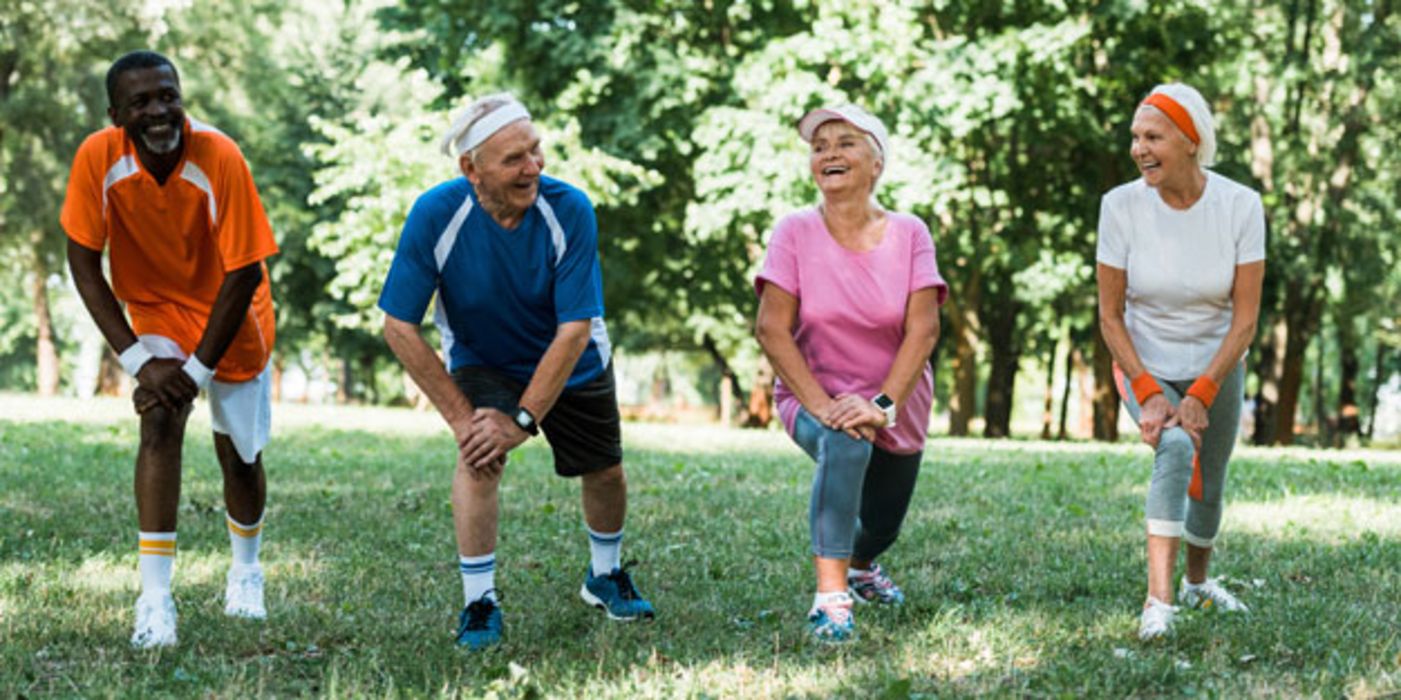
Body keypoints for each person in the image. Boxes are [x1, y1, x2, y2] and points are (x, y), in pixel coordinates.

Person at [379, 93, 654, 651]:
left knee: (604, 470)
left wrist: (524, 418)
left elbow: (575, 328)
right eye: (514, 159)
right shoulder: (436, 214)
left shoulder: (570, 208)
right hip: (485, 359)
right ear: (470, 170)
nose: (533, 167)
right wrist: (464, 420)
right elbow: (398, 326)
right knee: (479, 456)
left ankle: (605, 574)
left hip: (572, 359)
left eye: (536, 151)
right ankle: (478, 601)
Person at [62, 50, 278, 648]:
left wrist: (199, 369)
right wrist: (138, 361)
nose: (159, 112)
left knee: (239, 454)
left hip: (233, 314)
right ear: (115, 115)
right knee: (158, 420)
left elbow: (246, 274)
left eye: (168, 96)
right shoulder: (96, 159)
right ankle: (154, 599)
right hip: (155, 308)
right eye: (141, 102)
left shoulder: (220, 156)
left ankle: (246, 571)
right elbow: (83, 262)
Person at [754, 104, 946, 643]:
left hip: (897, 403)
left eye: (845, 142)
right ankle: (831, 598)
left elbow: (923, 332)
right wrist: (825, 407)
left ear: (876, 162)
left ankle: (860, 566)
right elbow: (771, 329)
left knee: (884, 524)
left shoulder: (910, 233)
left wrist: (882, 406)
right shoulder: (793, 231)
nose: (829, 153)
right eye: (819, 147)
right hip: (814, 396)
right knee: (846, 444)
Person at [1096, 83, 1266, 641]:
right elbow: (1110, 315)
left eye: (1153, 136)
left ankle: (1196, 584)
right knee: (1172, 448)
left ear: (1191, 140)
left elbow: (1244, 320)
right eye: (1135, 138)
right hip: (1141, 358)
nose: (1139, 149)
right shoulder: (1120, 206)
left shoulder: (1240, 204)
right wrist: (1148, 391)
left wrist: (1203, 393)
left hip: (1216, 362)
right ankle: (1159, 603)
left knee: (1209, 482)